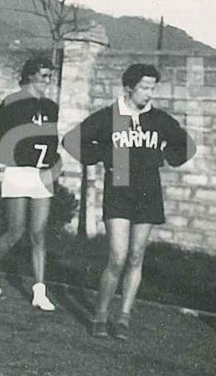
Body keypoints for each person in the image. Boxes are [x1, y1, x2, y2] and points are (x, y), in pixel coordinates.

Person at [63, 64, 196, 340]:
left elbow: (185, 146)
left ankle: (123, 317)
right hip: (120, 185)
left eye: (152, 88)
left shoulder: (158, 120)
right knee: (117, 257)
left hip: (148, 188)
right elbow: (71, 141)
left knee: (136, 256)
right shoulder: (110, 117)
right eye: (145, 88)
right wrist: (103, 155)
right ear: (129, 89)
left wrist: (162, 157)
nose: (149, 94)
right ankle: (100, 315)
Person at [0, 56, 61, 311]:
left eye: (50, 76)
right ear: (30, 76)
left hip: (42, 174)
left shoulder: (50, 107)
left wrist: (54, 168)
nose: (47, 81)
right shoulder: (12, 103)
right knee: (15, 231)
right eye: (44, 76)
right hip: (17, 171)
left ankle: (39, 291)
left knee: (38, 234)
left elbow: (51, 142)